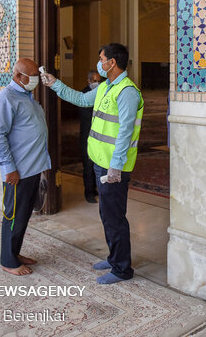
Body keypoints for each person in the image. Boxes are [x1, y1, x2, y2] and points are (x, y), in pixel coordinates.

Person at [41, 43, 143, 284]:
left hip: (113, 168)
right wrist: (54, 83)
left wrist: (115, 167)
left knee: (115, 217)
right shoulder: (106, 86)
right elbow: (80, 98)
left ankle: (122, 269)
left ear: (112, 63)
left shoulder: (127, 91)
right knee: (106, 215)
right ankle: (114, 256)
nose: (99, 63)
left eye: (102, 59)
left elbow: (125, 132)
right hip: (100, 162)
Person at [0, 58, 51, 276]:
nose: (37, 79)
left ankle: (14, 252)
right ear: (18, 76)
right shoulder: (7, 98)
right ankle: (8, 260)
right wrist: (9, 168)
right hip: (18, 171)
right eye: (33, 75)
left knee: (23, 214)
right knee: (13, 215)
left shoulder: (26, 96)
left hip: (32, 167)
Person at [80, 70, 101, 203]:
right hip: (87, 135)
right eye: (94, 81)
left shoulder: (101, 92)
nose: (97, 84)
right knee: (88, 166)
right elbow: (86, 115)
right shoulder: (84, 94)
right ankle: (88, 193)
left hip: (99, 136)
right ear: (89, 81)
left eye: (99, 81)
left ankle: (94, 189)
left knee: (97, 164)